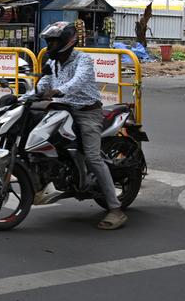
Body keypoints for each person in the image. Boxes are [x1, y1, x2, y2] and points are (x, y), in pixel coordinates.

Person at [29, 20, 127, 230]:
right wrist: (24, 96)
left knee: (93, 157)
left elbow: (78, 82)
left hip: (86, 112)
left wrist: (59, 91)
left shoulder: (83, 59)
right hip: (61, 109)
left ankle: (115, 209)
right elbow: (43, 85)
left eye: (53, 42)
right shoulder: (53, 63)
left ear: (66, 42)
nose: (50, 46)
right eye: (49, 42)